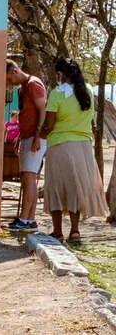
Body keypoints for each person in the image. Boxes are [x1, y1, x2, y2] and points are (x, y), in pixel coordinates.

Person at [38, 58, 107, 243]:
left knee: (56, 187)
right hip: (83, 147)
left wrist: (40, 133)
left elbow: (49, 125)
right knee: (75, 187)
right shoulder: (88, 90)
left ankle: (58, 231)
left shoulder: (56, 94)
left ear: (60, 74)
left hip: (60, 145)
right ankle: (75, 231)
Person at [7, 61, 49, 233]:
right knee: (27, 178)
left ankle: (24, 219)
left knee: (29, 178)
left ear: (15, 71)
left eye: (9, 78)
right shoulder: (21, 88)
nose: (9, 82)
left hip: (35, 138)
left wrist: (37, 137)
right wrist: (19, 136)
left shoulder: (33, 84)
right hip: (27, 136)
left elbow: (44, 110)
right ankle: (29, 220)